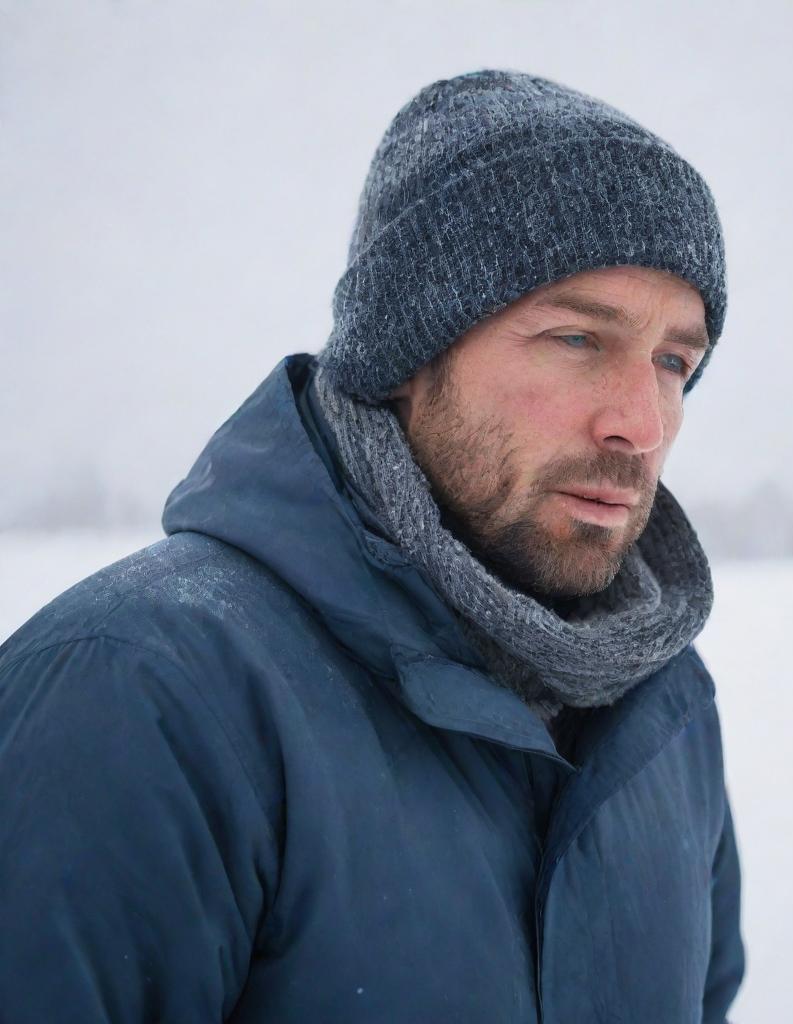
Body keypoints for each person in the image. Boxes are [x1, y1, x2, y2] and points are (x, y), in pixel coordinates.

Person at [0, 69, 745, 1022]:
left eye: (675, 361)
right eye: (574, 340)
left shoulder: (664, 713)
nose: (641, 422)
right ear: (405, 357)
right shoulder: (141, 694)